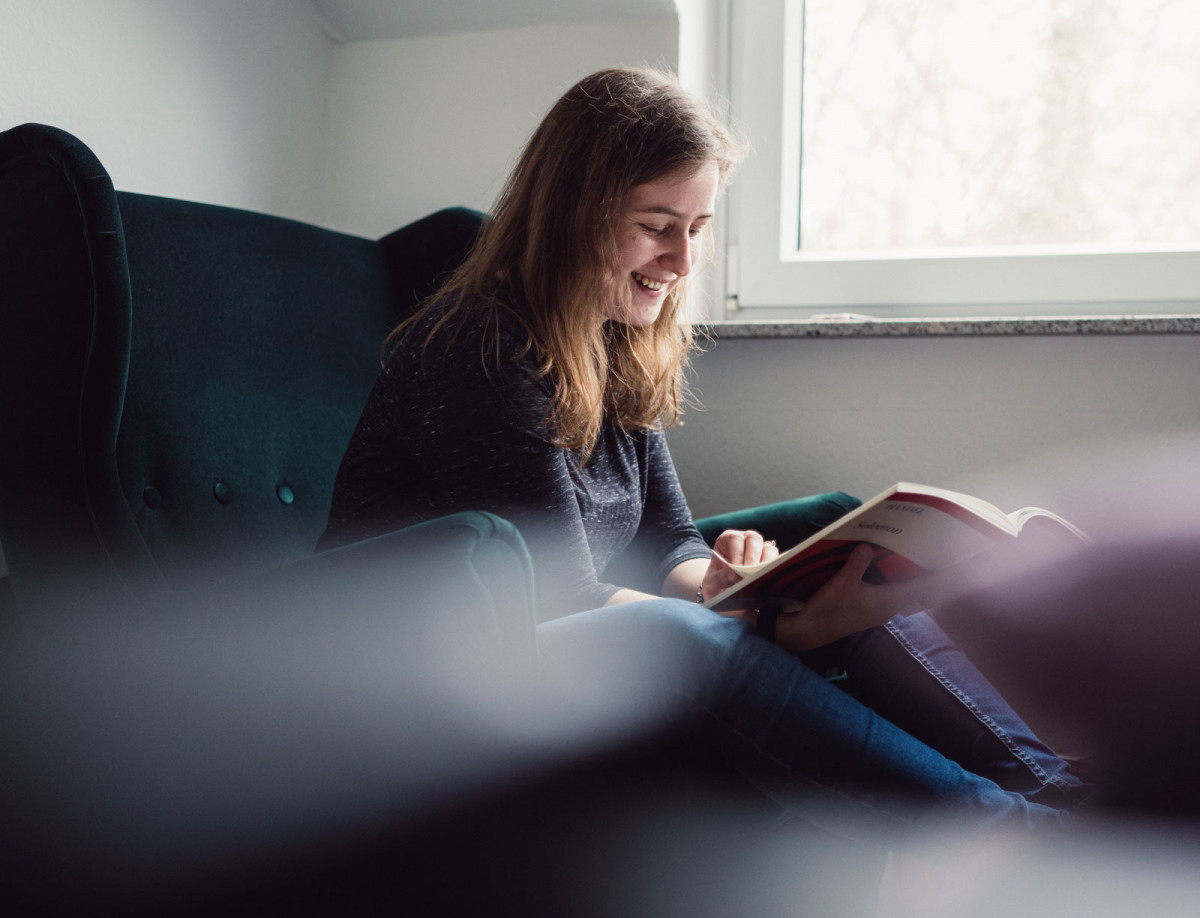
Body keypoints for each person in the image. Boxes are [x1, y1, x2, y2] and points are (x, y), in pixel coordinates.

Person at [319, 67, 1087, 835]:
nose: (683, 261)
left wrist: (727, 582)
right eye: (656, 226)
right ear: (569, 215)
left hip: (556, 621)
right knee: (690, 638)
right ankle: (1018, 835)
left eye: (698, 227)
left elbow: (668, 540)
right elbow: (559, 593)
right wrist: (773, 629)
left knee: (835, 541)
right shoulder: (482, 345)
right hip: (427, 653)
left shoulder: (614, 336)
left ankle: (1064, 797)